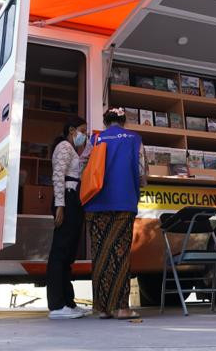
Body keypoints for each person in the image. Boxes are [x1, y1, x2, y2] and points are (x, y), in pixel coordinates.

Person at [83, 107, 146, 319]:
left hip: (96, 202)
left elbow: (84, 165)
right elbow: (141, 171)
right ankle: (121, 307)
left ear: (106, 121)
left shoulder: (97, 139)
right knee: (120, 254)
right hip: (123, 201)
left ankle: (102, 308)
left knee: (100, 254)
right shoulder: (134, 139)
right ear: (123, 120)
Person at [46, 116, 91, 319]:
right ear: (72, 130)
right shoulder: (64, 146)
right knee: (60, 253)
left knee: (68, 255)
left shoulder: (73, 150)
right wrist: (59, 205)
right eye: (83, 131)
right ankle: (56, 305)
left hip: (74, 200)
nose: (85, 135)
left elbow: (78, 170)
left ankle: (68, 302)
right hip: (66, 199)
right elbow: (58, 176)